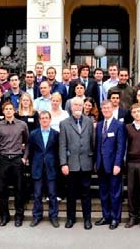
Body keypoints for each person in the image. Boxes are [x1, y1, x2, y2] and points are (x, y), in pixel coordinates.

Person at [59, 97, 95, 230]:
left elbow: (93, 142)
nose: (78, 107)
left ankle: (87, 219)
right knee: (71, 194)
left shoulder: (89, 121)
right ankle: (70, 218)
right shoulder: (64, 123)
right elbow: (62, 145)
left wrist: (94, 161)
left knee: (86, 194)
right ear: (71, 107)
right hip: (71, 164)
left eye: (80, 105)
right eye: (75, 105)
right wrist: (63, 163)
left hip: (86, 163)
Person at [0, 102, 29, 227]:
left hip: (17, 159)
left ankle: (19, 216)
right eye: (6, 109)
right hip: (3, 160)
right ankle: (4, 216)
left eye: (10, 109)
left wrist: (24, 158)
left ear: (14, 110)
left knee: (19, 190)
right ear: (3, 111)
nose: (8, 111)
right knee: (3, 191)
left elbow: (27, 142)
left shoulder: (22, 125)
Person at [94, 100, 126, 230]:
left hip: (113, 165)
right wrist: (96, 162)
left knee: (115, 193)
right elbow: (97, 146)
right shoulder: (100, 125)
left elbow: (121, 146)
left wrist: (118, 164)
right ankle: (106, 216)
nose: (106, 110)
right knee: (103, 193)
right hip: (101, 164)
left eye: (108, 108)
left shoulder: (119, 125)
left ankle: (115, 218)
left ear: (113, 109)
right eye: (103, 108)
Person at [28, 111, 60, 228]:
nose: (44, 120)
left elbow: (57, 152)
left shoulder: (56, 134)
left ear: (50, 120)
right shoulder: (33, 134)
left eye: (46, 118)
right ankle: (37, 216)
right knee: (37, 194)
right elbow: (31, 152)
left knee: (52, 194)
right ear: (40, 120)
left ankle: (53, 216)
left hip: (51, 168)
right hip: (37, 167)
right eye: (42, 118)